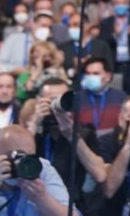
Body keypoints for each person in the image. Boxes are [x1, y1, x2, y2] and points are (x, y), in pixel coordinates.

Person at [21, 78, 108, 212]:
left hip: (71, 206)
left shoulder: (83, 133)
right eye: (51, 101)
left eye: (61, 100)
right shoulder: (34, 134)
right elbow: (19, 162)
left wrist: (71, 135)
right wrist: (33, 125)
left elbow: (100, 174)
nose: (57, 106)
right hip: (32, 206)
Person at [77, 57, 126, 135]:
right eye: (88, 73)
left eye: (95, 73)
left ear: (108, 76)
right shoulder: (77, 98)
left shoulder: (121, 97)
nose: (90, 77)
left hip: (113, 142)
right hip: (85, 142)